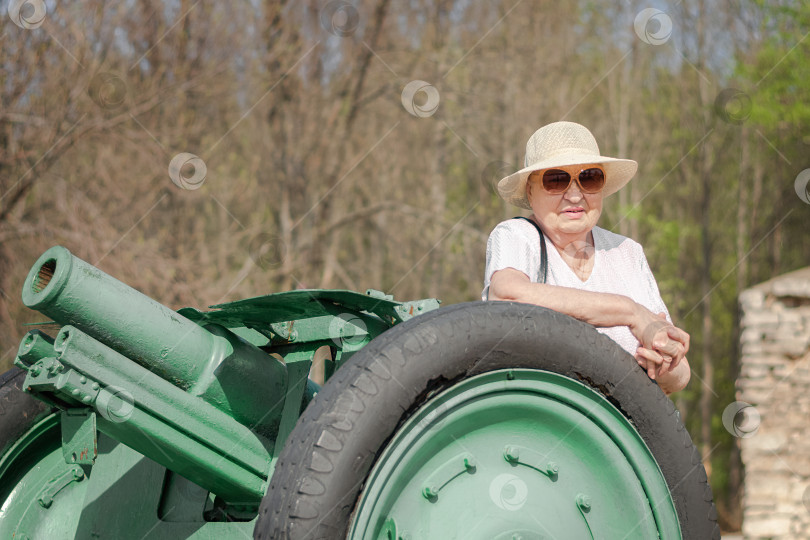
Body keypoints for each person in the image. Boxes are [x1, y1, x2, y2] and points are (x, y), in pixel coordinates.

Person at [482, 121, 690, 395]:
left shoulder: (628, 252)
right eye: (555, 180)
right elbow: (509, 295)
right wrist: (630, 311)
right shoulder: (517, 235)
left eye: (589, 178)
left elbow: (681, 374)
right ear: (530, 192)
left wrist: (664, 362)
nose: (575, 194)